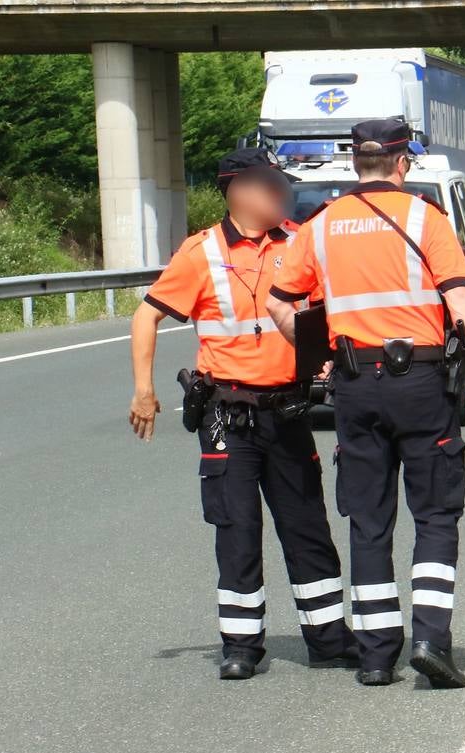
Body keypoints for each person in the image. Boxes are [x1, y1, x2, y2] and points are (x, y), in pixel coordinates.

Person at [266, 118, 465, 689]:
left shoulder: (318, 227)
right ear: (402, 164)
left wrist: (318, 353)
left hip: (354, 384)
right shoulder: (426, 219)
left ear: (354, 163)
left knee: (369, 520)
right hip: (421, 382)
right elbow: (460, 298)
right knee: (436, 513)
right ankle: (431, 639)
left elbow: (278, 304)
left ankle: (374, 654)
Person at [129, 148, 355, 680]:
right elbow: (146, 316)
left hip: (288, 409)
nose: (283, 195)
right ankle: (241, 644)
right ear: (239, 189)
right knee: (236, 527)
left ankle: (328, 637)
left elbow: (331, 312)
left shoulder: (300, 242)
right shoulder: (201, 252)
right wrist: (144, 390)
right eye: (273, 185)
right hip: (227, 413)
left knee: (306, 524)